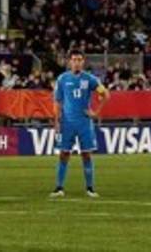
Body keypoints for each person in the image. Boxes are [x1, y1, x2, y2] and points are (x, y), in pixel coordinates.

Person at [50, 50, 108, 198]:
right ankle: (59, 188)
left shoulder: (90, 79)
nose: (77, 62)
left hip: (84, 123)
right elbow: (57, 101)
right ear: (69, 62)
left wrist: (95, 112)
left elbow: (105, 94)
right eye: (74, 60)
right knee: (64, 154)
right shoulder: (62, 79)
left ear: (83, 62)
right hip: (67, 123)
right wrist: (56, 120)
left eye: (79, 60)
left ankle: (90, 188)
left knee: (86, 155)